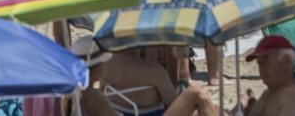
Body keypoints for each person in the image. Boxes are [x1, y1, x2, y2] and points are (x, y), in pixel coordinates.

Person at [74, 37, 218, 116]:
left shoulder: (73, 96)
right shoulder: (154, 71)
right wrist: (182, 82)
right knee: (198, 95)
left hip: (119, 106)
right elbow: (172, 102)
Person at [242, 36, 295, 116]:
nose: (262, 70)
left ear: (286, 61)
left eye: (266, 62)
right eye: (260, 64)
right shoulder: (268, 93)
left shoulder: (294, 99)